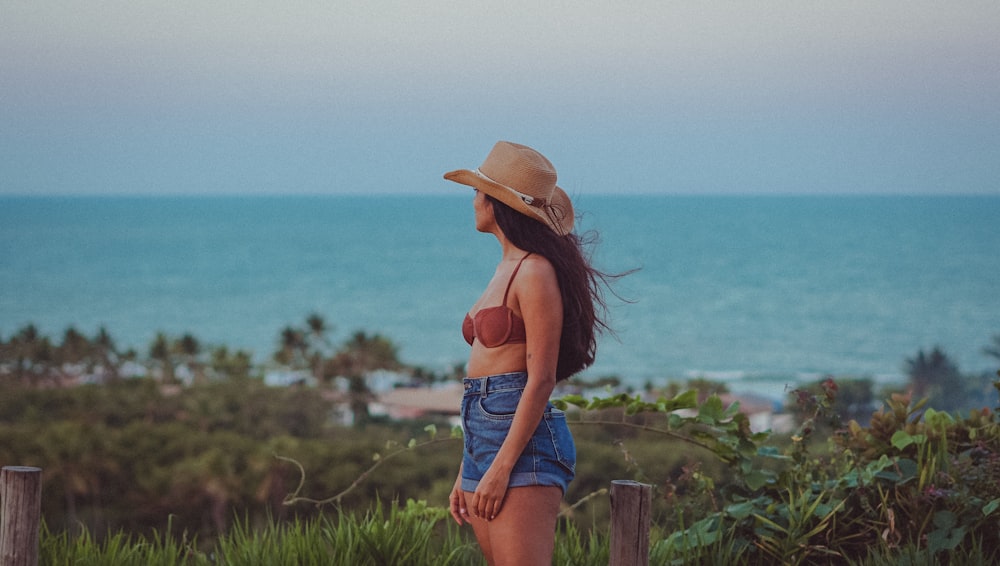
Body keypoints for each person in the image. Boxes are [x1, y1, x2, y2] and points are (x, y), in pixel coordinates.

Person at [444, 141, 619, 565]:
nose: (473, 201)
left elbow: (540, 378)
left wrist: (501, 467)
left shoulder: (535, 271)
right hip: (482, 435)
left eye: (478, 192)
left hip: (522, 443)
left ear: (497, 203)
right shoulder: (506, 265)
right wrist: (467, 465)